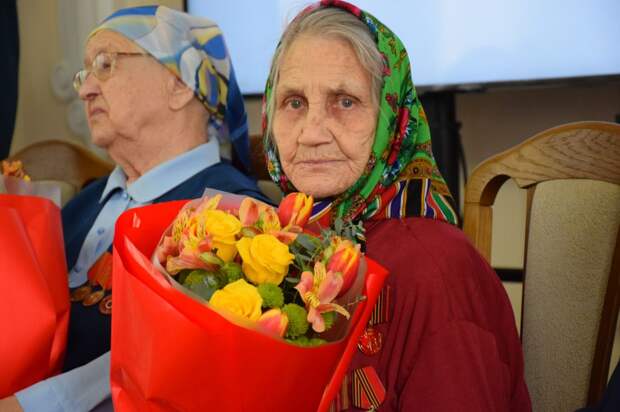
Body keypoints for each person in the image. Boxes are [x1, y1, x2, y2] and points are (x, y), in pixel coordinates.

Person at [261, 1, 531, 410]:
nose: (311, 133)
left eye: (345, 101)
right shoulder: (280, 246)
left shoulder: (435, 270)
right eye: (294, 102)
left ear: (393, 118)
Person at [0, 5, 267, 412]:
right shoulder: (76, 207)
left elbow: (176, 362)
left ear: (180, 83)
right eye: (84, 73)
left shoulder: (237, 215)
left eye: (105, 64)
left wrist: (31, 406)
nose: (85, 88)